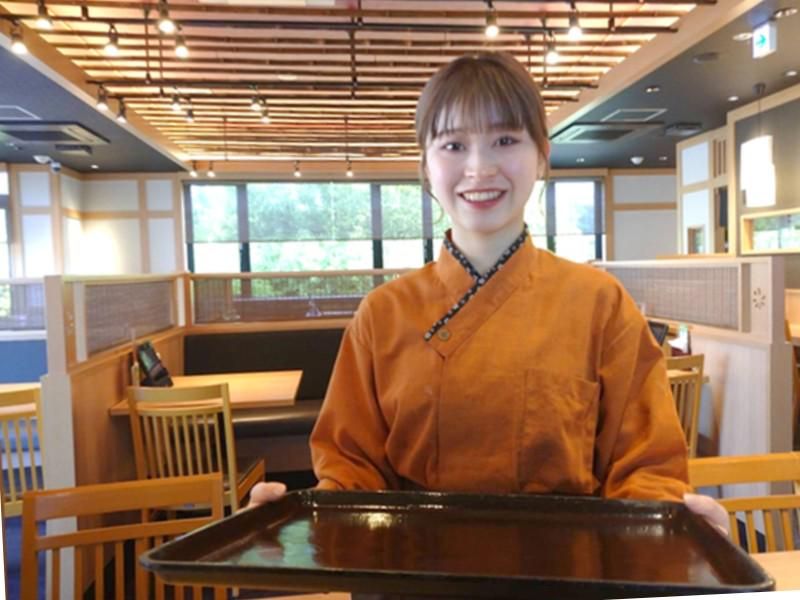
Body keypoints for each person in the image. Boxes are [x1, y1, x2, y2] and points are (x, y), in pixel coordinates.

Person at [250, 52, 725, 529]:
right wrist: (284, 525)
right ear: (426, 165)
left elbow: (646, 468)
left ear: (542, 155)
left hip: (566, 564)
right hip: (411, 563)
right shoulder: (383, 314)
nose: (479, 168)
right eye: (453, 145)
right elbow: (350, 473)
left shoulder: (600, 303)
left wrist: (676, 530)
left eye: (505, 140)